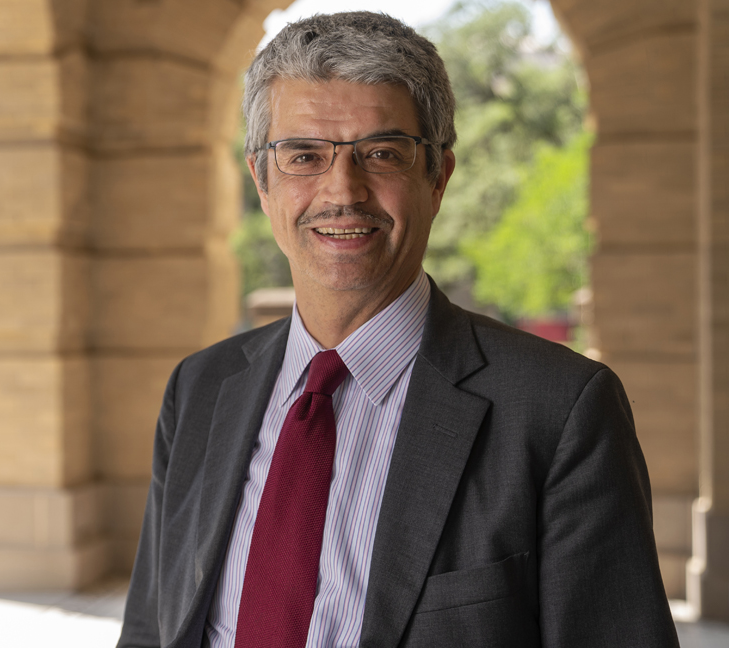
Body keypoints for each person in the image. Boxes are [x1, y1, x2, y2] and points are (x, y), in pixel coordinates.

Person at [117, 11, 678, 648]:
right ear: (261, 180)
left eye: (381, 154)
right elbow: (149, 628)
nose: (342, 191)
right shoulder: (199, 388)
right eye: (304, 155)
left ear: (438, 177)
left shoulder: (560, 411)